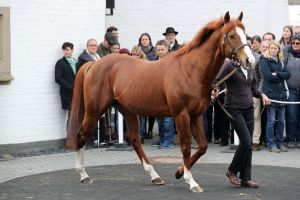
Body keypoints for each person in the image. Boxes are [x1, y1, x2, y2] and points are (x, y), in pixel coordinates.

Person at [212, 59, 271, 188]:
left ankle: (246, 178)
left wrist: (262, 95)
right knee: (246, 141)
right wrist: (215, 90)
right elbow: (216, 82)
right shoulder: (229, 65)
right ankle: (232, 170)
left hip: (248, 107)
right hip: (233, 107)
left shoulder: (250, 66)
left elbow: (253, 88)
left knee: (248, 144)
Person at [260, 40, 291, 153]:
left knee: (281, 121)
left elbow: (288, 74)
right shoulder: (264, 60)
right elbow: (268, 77)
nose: (273, 50)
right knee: (271, 120)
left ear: (279, 49)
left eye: (275, 48)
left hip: (281, 94)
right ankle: (271, 144)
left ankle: (280, 143)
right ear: (269, 49)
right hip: (270, 95)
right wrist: (281, 75)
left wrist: (277, 74)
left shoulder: (281, 61)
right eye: (272, 48)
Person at [155, 40, 175, 149]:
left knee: (168, 119)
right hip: (156, 94)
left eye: (162, 49)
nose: (160, 52)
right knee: (160, 120)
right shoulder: (153, 61)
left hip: (168, 94)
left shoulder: (172, 61)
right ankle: (162, 139)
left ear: (168, 49)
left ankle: (168, 141)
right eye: (158, 50)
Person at [284, 34, 300, 149]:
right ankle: (290, 139)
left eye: (297, 43)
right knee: (292, 116)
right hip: (291, 90)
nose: (295, 45)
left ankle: (298, 139)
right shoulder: (286, 53)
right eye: (293, 43)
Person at [55, 42, 78, 112]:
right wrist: (71, 87)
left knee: (77, 115)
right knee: (71, 116)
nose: (65, 52)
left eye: (67, 50)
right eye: (64, 50)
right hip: (67, 94)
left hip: (77, 93)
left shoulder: (76, 62)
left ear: (72, 50)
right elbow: (58, 78)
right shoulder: (60, 63)